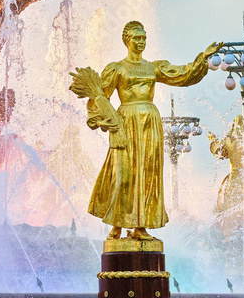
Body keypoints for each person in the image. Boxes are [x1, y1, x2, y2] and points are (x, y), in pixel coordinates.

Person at [70, 20, 221, 241]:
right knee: (123, 174)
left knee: (147, 174)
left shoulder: (154, 67)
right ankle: (116, 225)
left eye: (144, 38)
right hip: (125, 122)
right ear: (127, 40)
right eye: (136, 38)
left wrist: (203, 58)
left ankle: (140, 227)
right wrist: (105, 120)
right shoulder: (117, 68)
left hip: (150, 122)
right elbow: (99, 96)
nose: (141, 42)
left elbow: (183, 75)